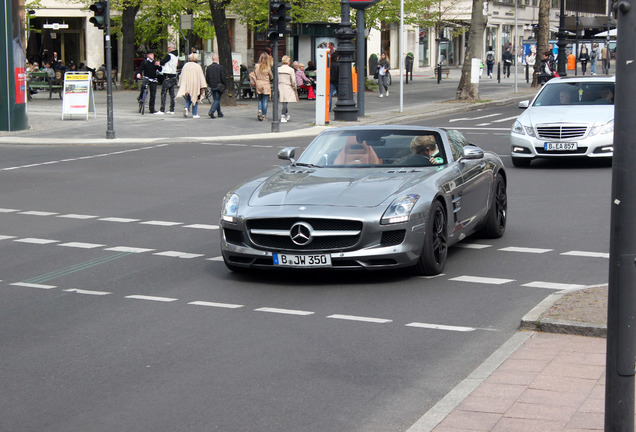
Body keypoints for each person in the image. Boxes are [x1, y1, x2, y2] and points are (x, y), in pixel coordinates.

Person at [176, 53, 207, 119]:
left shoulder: (186, 65)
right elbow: (201, 76)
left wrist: (181, 84)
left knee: (188, 98)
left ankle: (186, 107)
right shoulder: (197, 66)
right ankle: (194, 113)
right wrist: (203, 86)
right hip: (195, 84)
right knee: (195, 97)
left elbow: (182, 75)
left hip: (187, 84)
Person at [136, 50, 161, 114]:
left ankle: (152, 109)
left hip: (153, 79)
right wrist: (139, 74)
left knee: (153, 94)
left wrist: (158, 65)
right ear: (147, 55)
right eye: (150, 54)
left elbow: (160, 70)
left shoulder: (155, 62)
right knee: (143, 87)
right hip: (146, 78)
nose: (152, 55)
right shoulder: (145, 62)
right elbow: (140, 69)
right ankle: (141, 97)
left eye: (153, 54)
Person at [251, 52, 273, 121]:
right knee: (265, 100)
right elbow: (271, 76)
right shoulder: (268, 67)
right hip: (266, 84)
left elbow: (254, 73)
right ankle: (264, 115)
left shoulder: (256, 66)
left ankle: (260, 110)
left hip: (258, 83)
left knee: (260, 99)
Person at [158, 42, 178, 115]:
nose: (168, 48)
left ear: (171, 48)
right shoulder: (176, 56)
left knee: (163, 92)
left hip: (167, 76)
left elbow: (162, 62)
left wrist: (158, 63)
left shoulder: (169, 55)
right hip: (173, 75)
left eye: (169, 47)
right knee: (172, 93)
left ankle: (162, 109)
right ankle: (172, 109)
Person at [205, 53, 226, 119]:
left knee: (216, 99)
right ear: (218, 59)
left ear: (212, 59)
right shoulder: (220, 67)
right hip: (219, 85)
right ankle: (211, 111)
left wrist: (209, 84)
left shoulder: (208, 67)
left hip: (212, 85)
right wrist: (225, 85)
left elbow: (207, 77)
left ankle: (219, 113)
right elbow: (223, 77)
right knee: (217, 100)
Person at [278, 55, 298, 123]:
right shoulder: (291, 70)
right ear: (288, 61)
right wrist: (294, 87)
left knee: (284, 101)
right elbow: (293, 80)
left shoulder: (278, 69)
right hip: (287, 86)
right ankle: (283, 116)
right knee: (285, 102)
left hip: (280, 85)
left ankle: (286, 114)